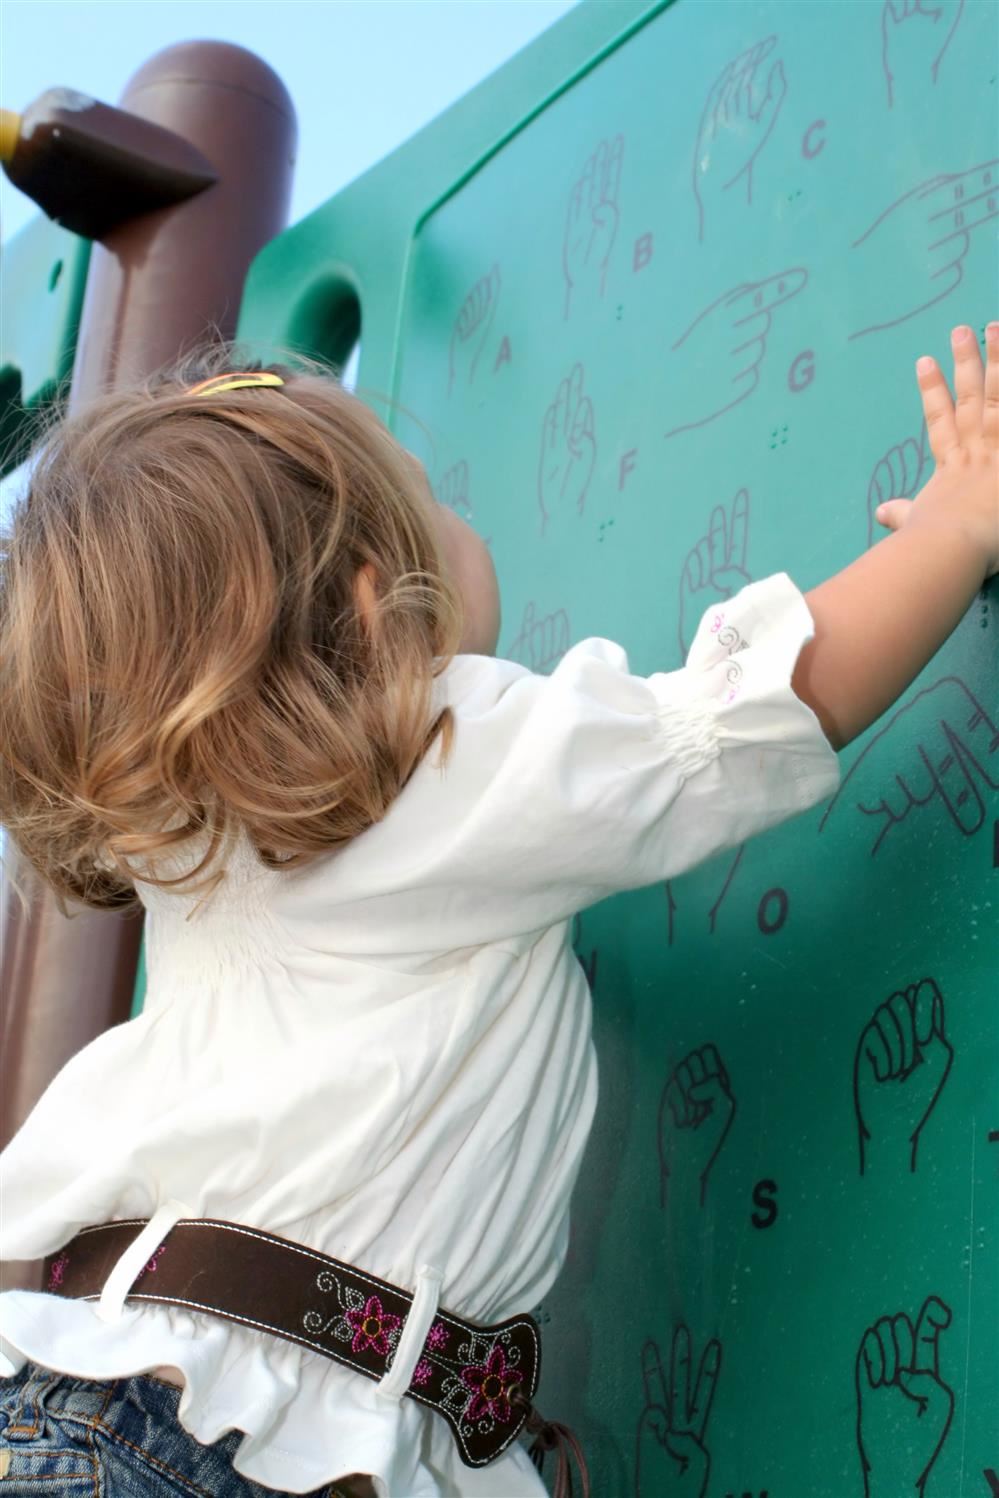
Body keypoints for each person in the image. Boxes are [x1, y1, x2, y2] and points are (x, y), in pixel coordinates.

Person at [0, 326, 995, 1498]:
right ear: (381, 601)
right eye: (431, 497)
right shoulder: (443, 752)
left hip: (119, 1396)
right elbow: (747, 711)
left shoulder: (200, 865)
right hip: (213, 1444)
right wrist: (956, 526)